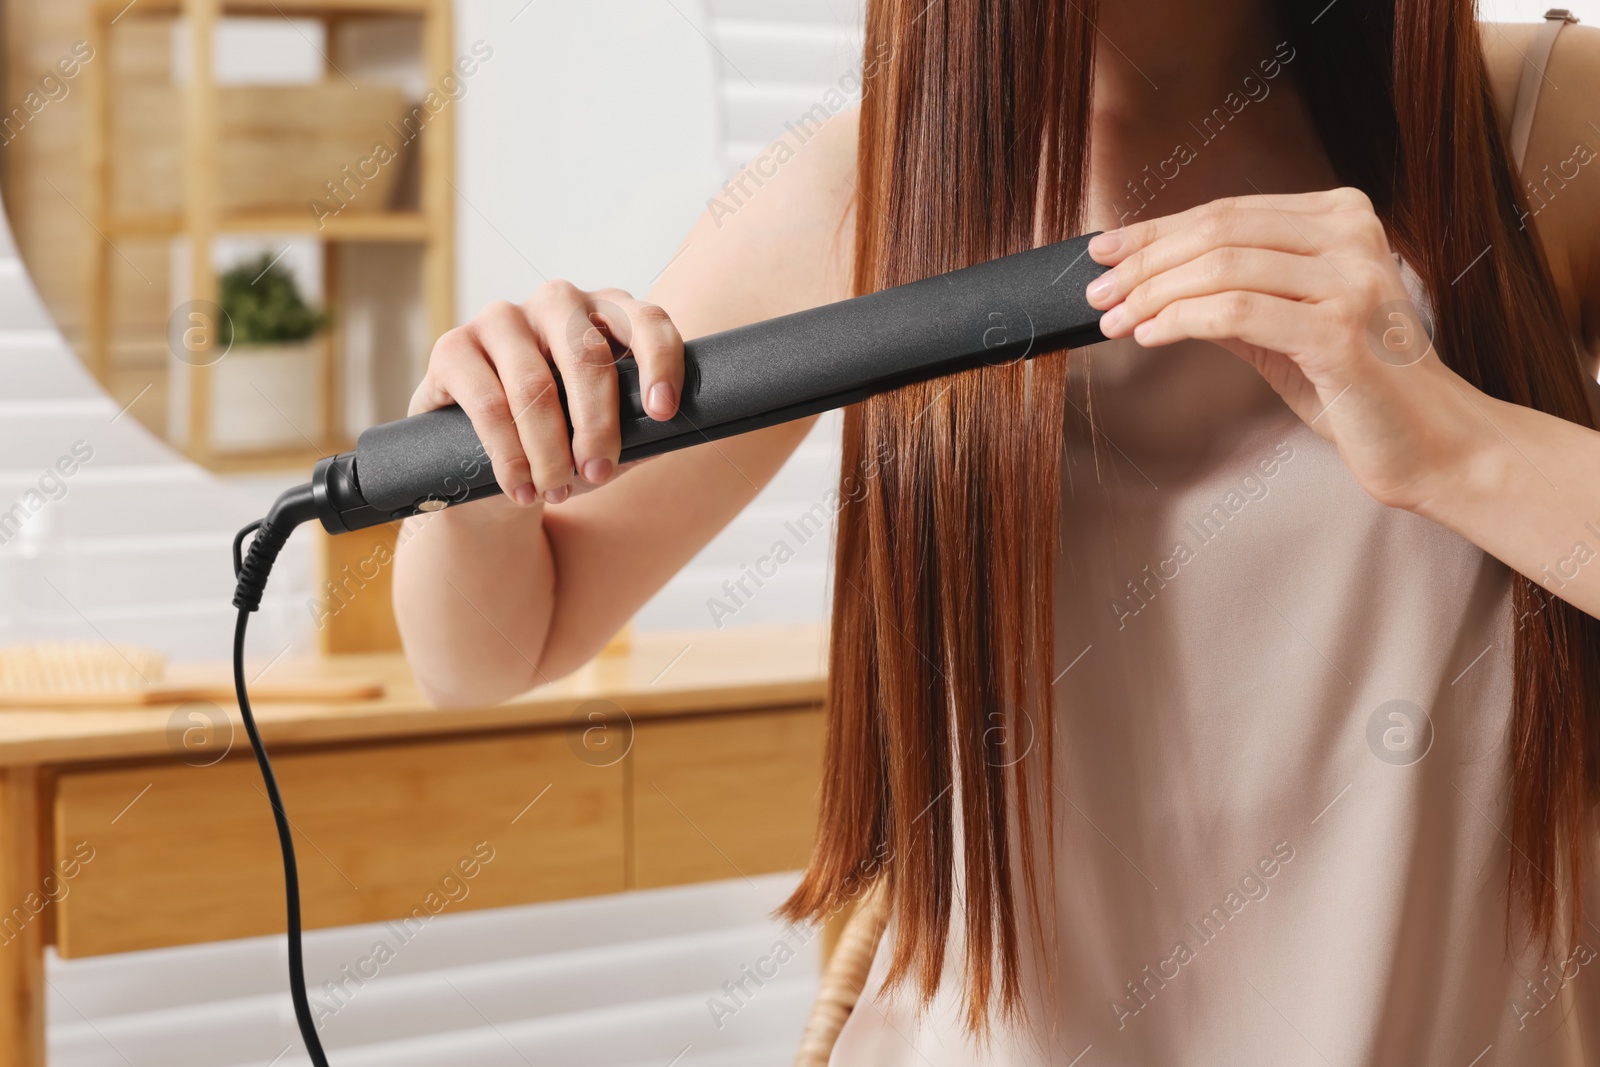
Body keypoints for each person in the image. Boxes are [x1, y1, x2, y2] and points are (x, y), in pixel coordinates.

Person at [393, 2, 1600, 1062]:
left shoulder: (1544, 121)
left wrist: (1457, 445)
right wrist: (492, 431)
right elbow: (501, 640)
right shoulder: (861, 196)